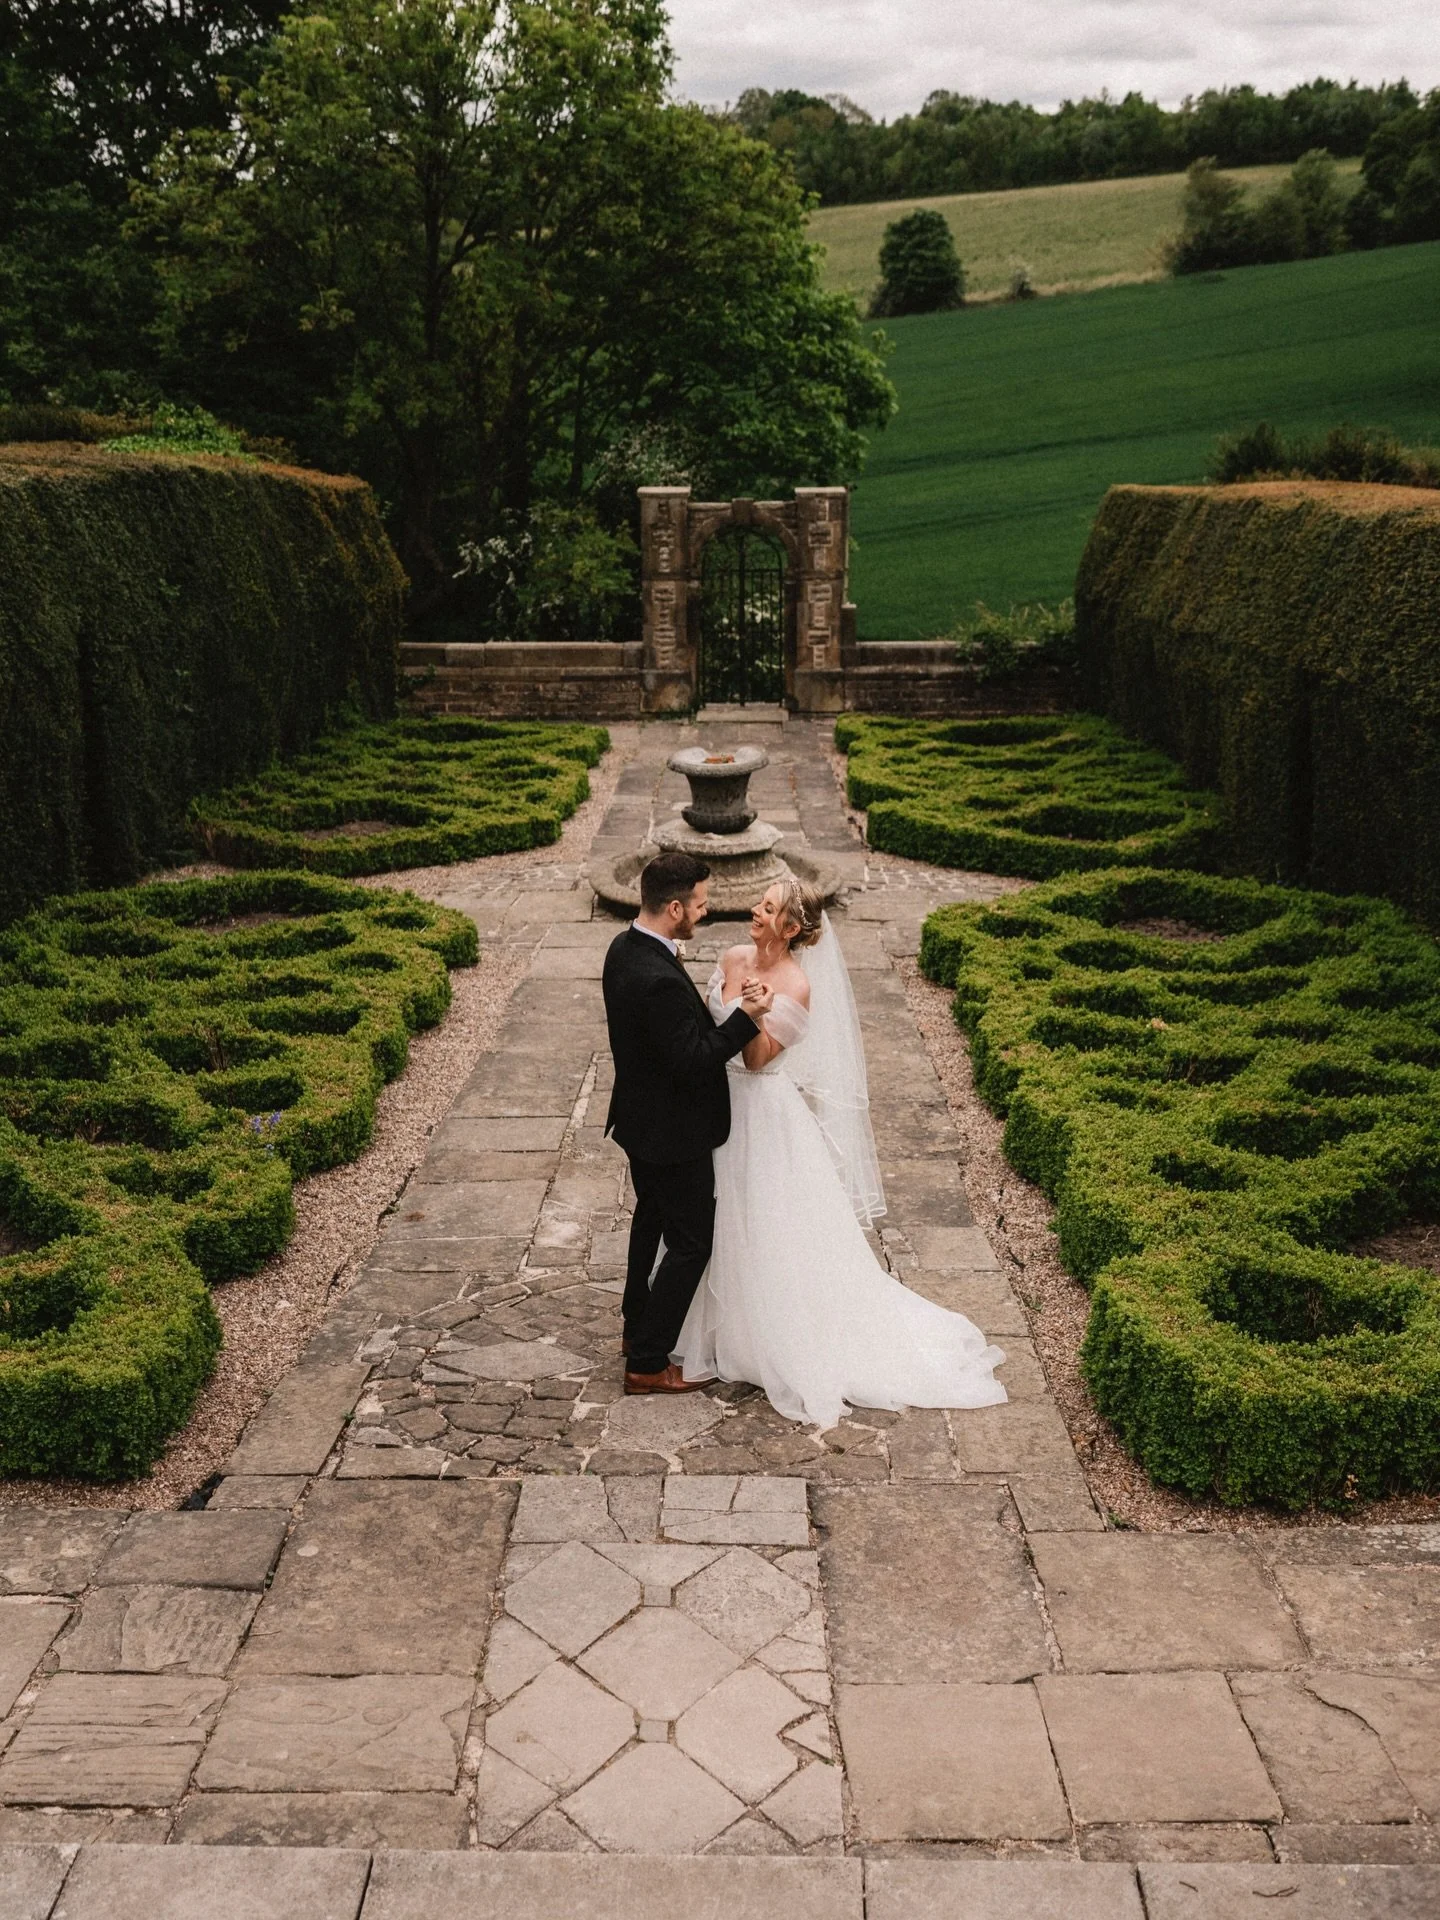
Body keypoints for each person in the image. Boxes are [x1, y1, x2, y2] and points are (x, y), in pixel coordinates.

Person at [672, 875, 1008, 1428]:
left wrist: (754, 1013)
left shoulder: (796, 985)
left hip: (760, 1114)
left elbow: (757, 1061)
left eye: (769, 907)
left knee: (762, 1222)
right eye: (760, 901)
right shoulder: (732, 956)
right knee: (706, 1215)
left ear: (792, 928)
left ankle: (765, 1333)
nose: (755, 909)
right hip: (713, 1105)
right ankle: (705, 1318)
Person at [601, 850, 774, 1394]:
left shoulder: (624, 949)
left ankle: (636, 1328)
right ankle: (649, 1362)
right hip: (674, 1132)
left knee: (649, 1220)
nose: (705, 912)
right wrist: (747, 1020)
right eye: (699, 904)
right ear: (674, 907)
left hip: (640, 1122)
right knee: (692, 1243)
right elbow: (696, 1057)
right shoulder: (657, 977)